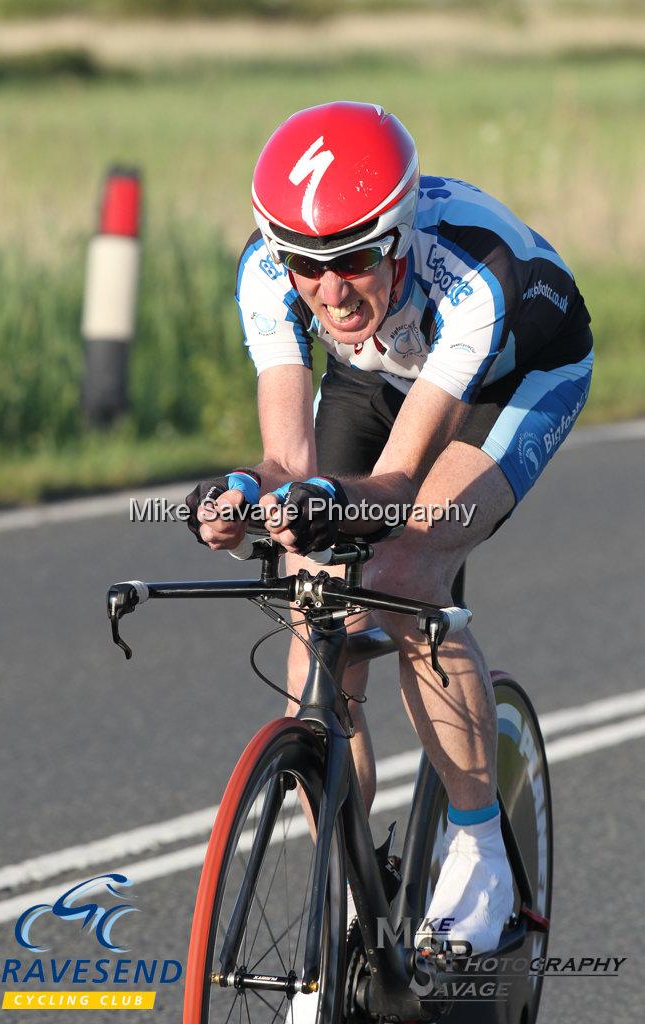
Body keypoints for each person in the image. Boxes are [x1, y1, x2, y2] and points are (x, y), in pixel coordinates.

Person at [186, 102, 592, 963]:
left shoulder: (474, 277)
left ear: (401, 236)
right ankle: (347, 872)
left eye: (356, 262)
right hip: (378, 374)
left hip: (516, 375)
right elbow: (285, 456)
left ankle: (481, 852)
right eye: (305, 265)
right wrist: (231, 495)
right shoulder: (266, 274)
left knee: (405, 567)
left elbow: (399, 485)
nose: (330, 292)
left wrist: (330, 504)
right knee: (310, 591)